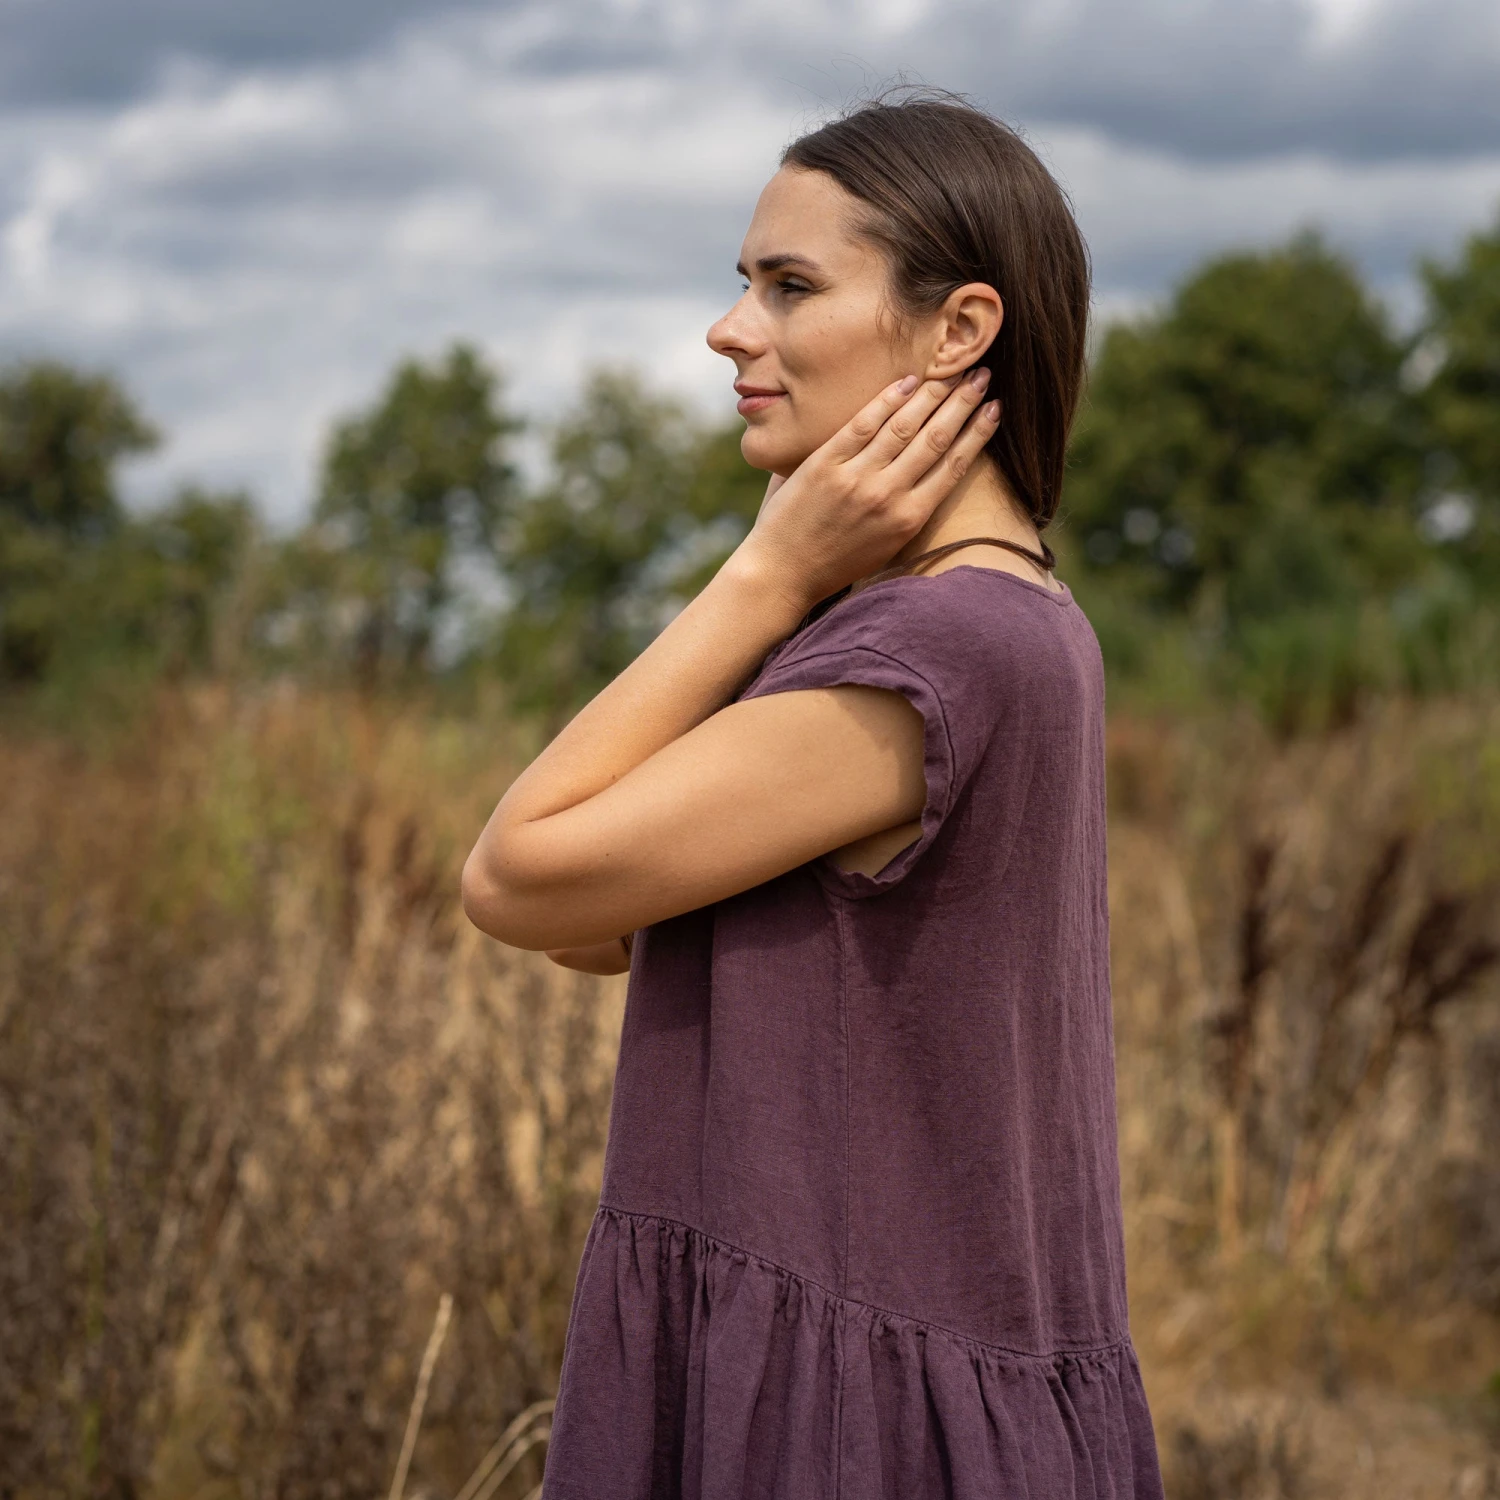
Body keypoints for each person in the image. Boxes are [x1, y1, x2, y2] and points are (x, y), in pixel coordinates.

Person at [463, 89, 1165, 1500]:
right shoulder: (1020, 621)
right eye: (742, 285)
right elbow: (598, 925)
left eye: (791, 286)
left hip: (844, 1423)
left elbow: (518, 877)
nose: (733, 331)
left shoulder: (924, 649)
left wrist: (767, 574)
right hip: (913, 1376)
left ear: (962, 329)